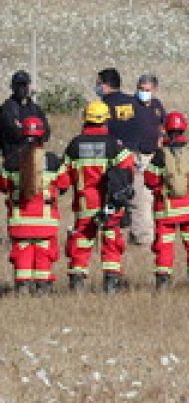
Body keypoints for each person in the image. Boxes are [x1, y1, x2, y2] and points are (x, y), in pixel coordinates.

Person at [62, 100, 135, 293]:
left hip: (85, 203)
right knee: (112, 242)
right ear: (104, 120)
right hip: (109, 203)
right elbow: (129, 168)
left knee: (81, 243)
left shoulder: (75, 145)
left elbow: (63, 178)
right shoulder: (113, 144)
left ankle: (77, 285)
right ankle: (111, 285)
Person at [0, 116, 69, 293]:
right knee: (43, 255)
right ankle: (42, 289)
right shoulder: (52, 161)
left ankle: (22, 287)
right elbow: (63, 184)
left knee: (22, 254)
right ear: (42, 135)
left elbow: (3, 186)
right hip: (46, 223)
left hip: (20, 222)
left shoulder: (10, 161)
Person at [144, 111, 189, 290]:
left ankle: (163, 284)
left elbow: (149, 180)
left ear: (167, 130)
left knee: (164, 247)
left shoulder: (160, 155)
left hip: (166, 210)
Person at [125, 73, 167, 248]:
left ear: (154, 90)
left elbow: (163, 125)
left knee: (152, 197)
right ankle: (143, 239)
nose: (143, 93)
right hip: (136, 156)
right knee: (139, 199)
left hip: (153, 156)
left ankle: (148, 234)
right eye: (141, 89)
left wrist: (161, 139)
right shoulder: (130, 105)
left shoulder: (157, 106)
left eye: (147, 90)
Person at [0, 70, 51, 161]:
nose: (21, 88)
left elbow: (46, 132)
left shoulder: (35, 108)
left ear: (28, 86)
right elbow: (14, 132)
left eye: (24, 85)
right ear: (13, 87)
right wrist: (33, 131)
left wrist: (26, 130)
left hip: (35, 156)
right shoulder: (7, 108)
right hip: (13, 158)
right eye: (18, 85)